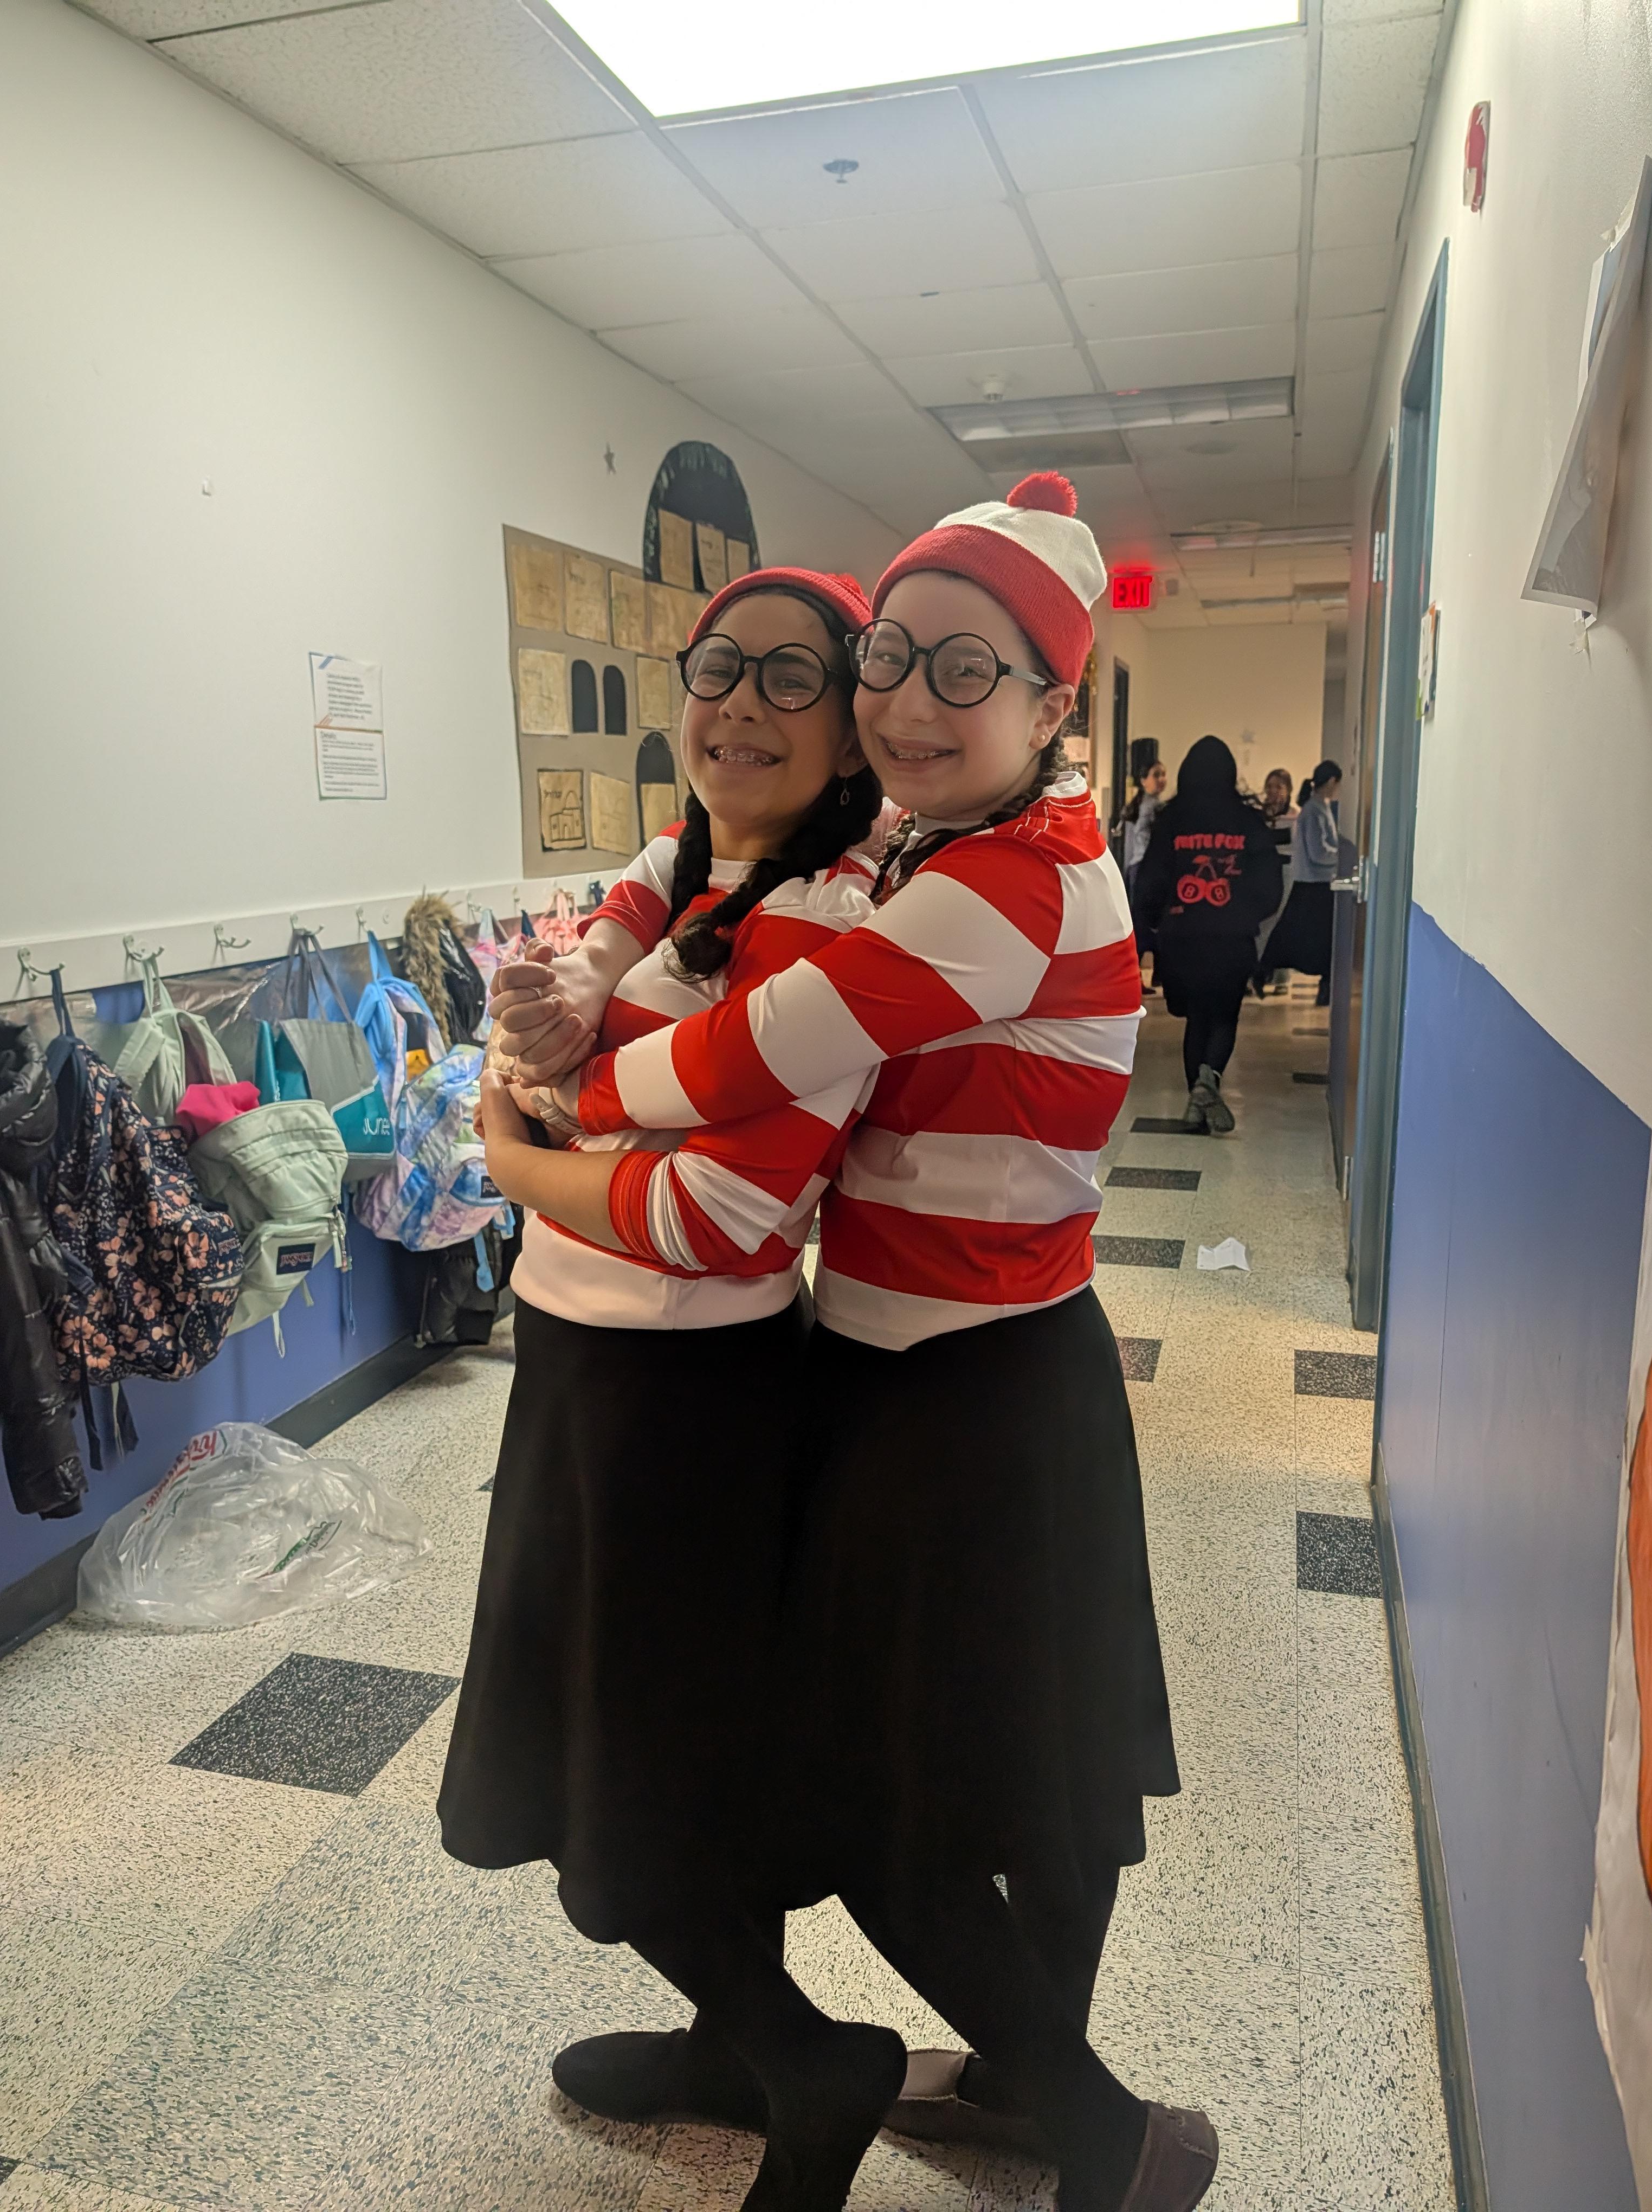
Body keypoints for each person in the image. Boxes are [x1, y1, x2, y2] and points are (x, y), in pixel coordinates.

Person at [496, 474, 1213, 2212]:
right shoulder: (929, 840)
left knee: (913, 1808)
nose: (904, 700)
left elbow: (737, 1068)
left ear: (1054, 701)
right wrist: (585, 986)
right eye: (889, 656)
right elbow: (680, 894)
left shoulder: (1005, 886)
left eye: (965, 670)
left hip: (970, 1390)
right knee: (1032, 1771)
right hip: (945, 1367)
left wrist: (537, 1117)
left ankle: (1098, 2128)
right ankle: (1020, 2089)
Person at [438, 565, 916, 2212]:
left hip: (683, 1392)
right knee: (664, 1739)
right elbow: (543, 1046)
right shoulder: (678, 870)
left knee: (635, 1765)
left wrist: (515, 1149)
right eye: (719, 666)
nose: (739, 705)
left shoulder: (833, 920)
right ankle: (727, 2045)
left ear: (852, 720)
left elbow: (723, 1211)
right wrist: (539, 1057)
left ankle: (808, 2056)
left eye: (793, 677)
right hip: (586, 1356)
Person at [1132, 736, 1283, 1134]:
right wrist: (1247, 914)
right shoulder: (1248, 822)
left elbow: (1151, 879)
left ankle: (1196, 1105)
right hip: (1232, 937)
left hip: (1182, 936)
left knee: (1196, 1017)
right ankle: (1209, 1078)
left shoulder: (1171, 820)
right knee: (1225, 1014)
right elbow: (1270, 885)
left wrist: (1154, 922)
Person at [1260, 758, 1342, 1007]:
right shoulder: (1313, 810)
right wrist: (1341, 857)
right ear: (1332, 782)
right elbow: (1318, 852)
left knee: (1296, 936)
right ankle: (1263, 970)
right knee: (1293, 936)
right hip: (1312, 884)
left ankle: (1266, 971)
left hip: (1317, 882)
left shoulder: (1318, 808)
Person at [1119, 754, 1166, 995]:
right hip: (1146, 869)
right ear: (1143, 780)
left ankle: (1141, 977)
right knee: (1148, 923)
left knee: (1141, 922)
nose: (1162, 779)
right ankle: (1144, 977)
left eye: (1164, 774)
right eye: (1156, 775)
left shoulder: (1138, 806)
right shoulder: (1152, 806)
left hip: (1137, 868)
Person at [1251, 768, 1296, 996]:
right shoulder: (1259, 816)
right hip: (1263, 873)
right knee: (1261, 923)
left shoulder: (1296, 816)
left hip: (1287, 872)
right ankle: (1254, 973)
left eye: (1279, 787)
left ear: (1288, 790)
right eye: (1270, 786)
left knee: (1283, 921)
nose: (1273, 791)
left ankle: (1282, 978)